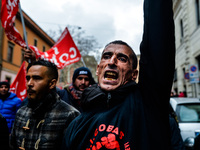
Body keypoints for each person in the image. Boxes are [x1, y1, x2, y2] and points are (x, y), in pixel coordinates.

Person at [62, 0, 175, 149]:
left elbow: (158, 40)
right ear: (98, 69)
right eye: (107, 56)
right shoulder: (76, 124)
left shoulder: (146, 106)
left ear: (134, 74)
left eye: (122, 58)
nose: (112, 61)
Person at [10, 59, 80, 150]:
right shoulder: (21, 112)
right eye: (28, 78)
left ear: (52, 83)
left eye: (37, 78)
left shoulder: (70, 115)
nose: (29, 83)